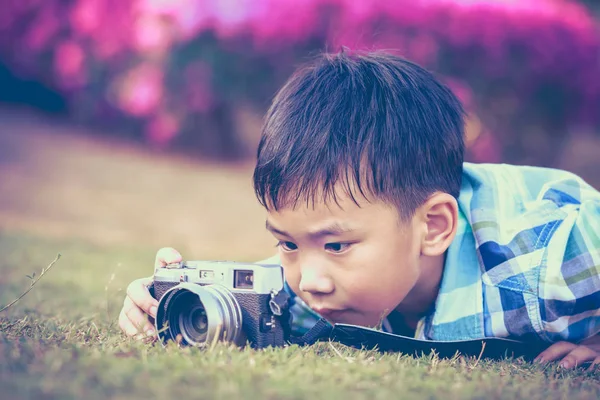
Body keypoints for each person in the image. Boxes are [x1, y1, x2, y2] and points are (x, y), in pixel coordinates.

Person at [118, 49, 600, 369]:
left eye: (336, 245)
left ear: (432, 227)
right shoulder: (301, 286)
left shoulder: (551, 256)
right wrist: (168, 309)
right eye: (287, 242)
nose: (310, 281)